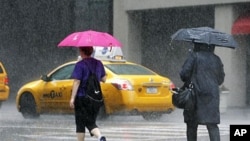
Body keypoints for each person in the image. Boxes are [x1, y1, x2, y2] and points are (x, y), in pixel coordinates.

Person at [179, 43, 225, 141]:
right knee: (212, 125)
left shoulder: (194, 56)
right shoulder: (216, 59)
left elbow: (184, 75)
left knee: (192, 125)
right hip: (212, 96)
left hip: (194, 96)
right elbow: (220, 79)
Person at [69, 46, 107, 141]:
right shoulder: (98, 63)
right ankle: (100, 137)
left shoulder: (80, 65)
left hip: (82, 98)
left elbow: (77, 81)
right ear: (91, 52)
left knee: (81, 123)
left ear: (81, 52)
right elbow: (104, 79)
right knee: (90, 121)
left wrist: (72, 98)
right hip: (95, 98)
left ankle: (99, 137)